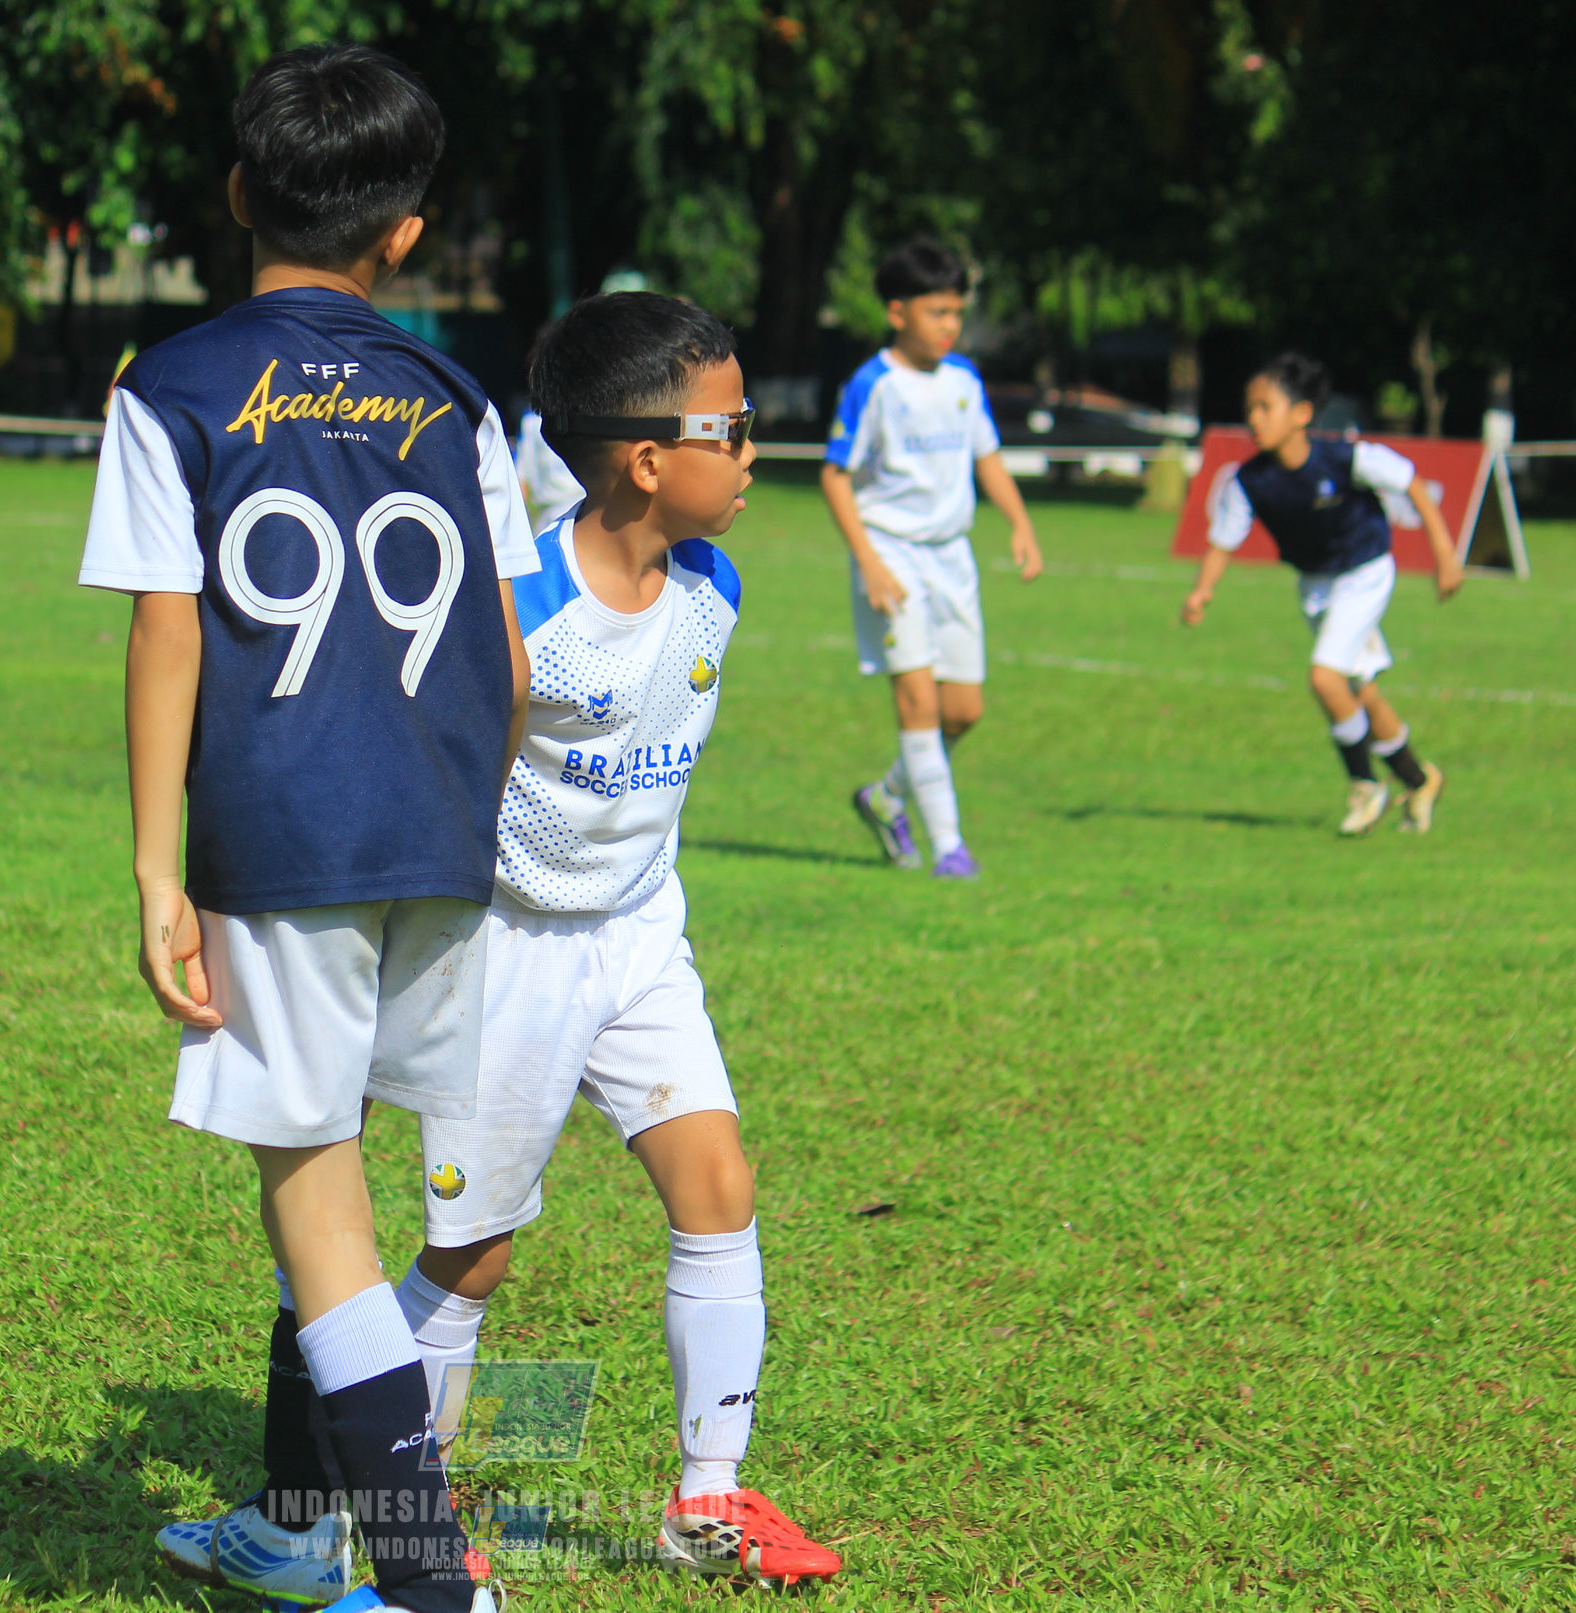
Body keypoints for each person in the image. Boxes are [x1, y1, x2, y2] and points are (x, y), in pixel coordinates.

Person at [76, 45, 534, 1613]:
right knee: (338, 1164)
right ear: (402, 235)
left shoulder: (178, 387)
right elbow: (510, 653)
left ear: (232, 197)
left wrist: (155, 871)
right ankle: (292, 1530)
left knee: (310, 1179)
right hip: (437, 827)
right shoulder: (458, 396)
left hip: (285, 835)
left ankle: (421, 1579)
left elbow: (168, 633)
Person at [396, 291, 845, 1590]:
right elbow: (444, 786)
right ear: (647, 459)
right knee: (472, 1253)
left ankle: (707, 1501)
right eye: (734, 428)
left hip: (641, 932)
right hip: (510, 953)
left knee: (716, 1189)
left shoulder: (715, 587)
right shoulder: (518, 609)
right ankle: (405, 1498)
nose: (755, 452)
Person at [821, 237, 1041, 879]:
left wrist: (1020, 522)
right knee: (917, 702)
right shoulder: (874, 384)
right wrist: (869, 560)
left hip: (954, 561)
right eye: (937, 312)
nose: (951, 325)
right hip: (893, 557)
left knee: (963, 711)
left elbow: (987, 458)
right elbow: (837, 477)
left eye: (956, 313)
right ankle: (950, 847)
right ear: (898, 312)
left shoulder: (964, 379)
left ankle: (887, 797)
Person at [1181, 353, 1459, 835]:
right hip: (1316, 585)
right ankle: (1420, 781)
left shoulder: (1343, 457)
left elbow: (1411, 481)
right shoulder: (1251, 480)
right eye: (1251, 409)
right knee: (1360, 691)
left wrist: (1444, 552)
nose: (1255, 419)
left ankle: (1365, 786)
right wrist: (1202, 591)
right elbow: (1224, 538)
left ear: (1303, 414)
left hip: (1365, 573)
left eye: (1266, 407)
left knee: (1325, 678)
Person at [513, 406, 583, 522]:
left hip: (580, 506)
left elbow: (522, 478)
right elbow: (522, 476)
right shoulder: (532, 421)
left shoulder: (585, 413)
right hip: (550, 511)